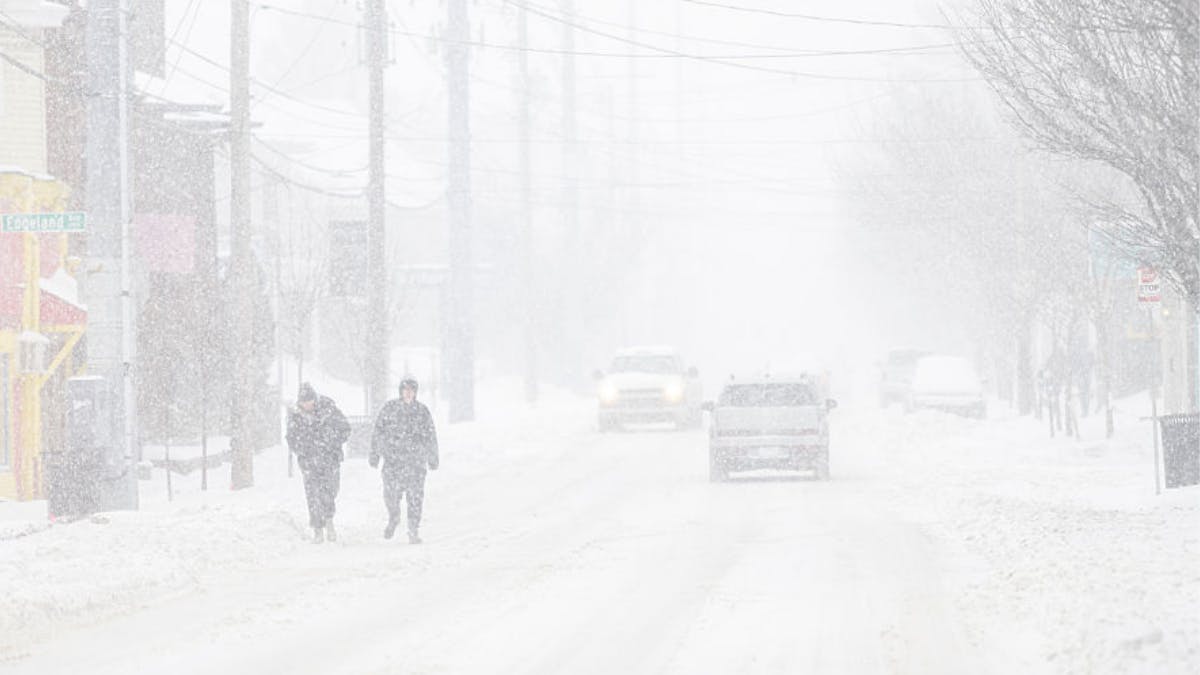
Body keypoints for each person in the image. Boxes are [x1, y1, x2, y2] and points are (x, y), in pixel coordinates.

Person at [369, 376, 439, 544]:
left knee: (415, 498)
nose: (408, 393)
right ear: (400, 391)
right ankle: (394, 517)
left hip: (416, 463)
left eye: (411, 390)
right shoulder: (389, 409)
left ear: (415, 392)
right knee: (390, 495)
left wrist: (433, 457)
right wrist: (375, 454)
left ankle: (413, 529)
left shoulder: (422, 412)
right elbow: (378, 432)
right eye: (405, 389)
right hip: (393, 462)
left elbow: (431, 435)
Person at [286, 383, 351, 544]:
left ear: (314, 400)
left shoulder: (329, 411)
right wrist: (303, 450)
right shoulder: (296, 417)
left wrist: (331, 442)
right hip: (309, 463)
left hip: (330, 460)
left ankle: (329, 520)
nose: (307, 405)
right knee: (313, 495)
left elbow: (345, 428)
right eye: (303, 402)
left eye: (309, 401)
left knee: (329, 492)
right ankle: (318, 528)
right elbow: (291, 438)